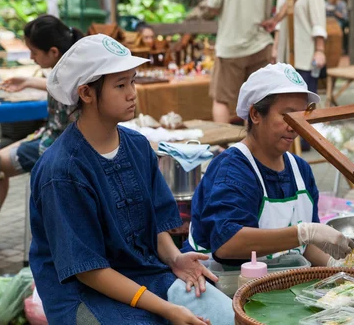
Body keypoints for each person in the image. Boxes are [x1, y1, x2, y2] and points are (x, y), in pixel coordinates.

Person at [29, 34, 234, 325]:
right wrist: (167, 309)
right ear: (86, 94)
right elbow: (87, 269)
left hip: (147, 272)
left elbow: (156, 223)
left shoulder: (137, 146)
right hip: (84, 292)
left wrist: (175, 259)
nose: (132, 93)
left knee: (227, 315)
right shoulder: (61, 171)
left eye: (133, 81)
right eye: (120, 85)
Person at [185, 63, 354, 267]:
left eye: (301, 116)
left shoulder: (301, 171)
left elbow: (307, 246)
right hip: (220, 284)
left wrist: (338, 266)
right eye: (286, 115)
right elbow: (227, 243)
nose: (295, 126)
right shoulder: (233, 170)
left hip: (276, 282)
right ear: (256, 114)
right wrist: (303, 233)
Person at [0, 15, 83, 222]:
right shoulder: (69, 68)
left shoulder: (70, 76)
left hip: (58, 146)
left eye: (34, 52)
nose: (31, 57)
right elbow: (55, 84)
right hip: (50, 136)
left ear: (53, 52)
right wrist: (27, 81)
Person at [206, 0, 288, 124]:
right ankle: (254, 148)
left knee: (222, 100)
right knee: (258, 102)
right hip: (260, 44)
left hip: (230, 46)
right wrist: (275, 20)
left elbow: (212, 5)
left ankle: (224, 146)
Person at [273, 0, 327, 94]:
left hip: (304, 59)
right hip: (284, 60)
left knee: (303, 106)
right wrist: (275, 49)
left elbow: (318, 23)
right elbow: (278, 22)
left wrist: (319, 50)